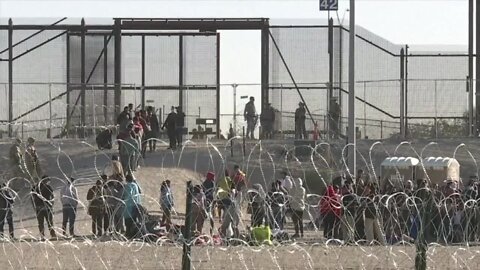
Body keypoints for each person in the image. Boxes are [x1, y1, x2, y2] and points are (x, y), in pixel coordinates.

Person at [32, 176, 57, 240]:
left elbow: (32, 198)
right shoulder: (48, 187)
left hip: (39, 208)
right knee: (49, 222)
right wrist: (52, 204)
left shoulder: (35, 187)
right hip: (46, 207)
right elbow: (53, 196)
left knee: (41, 223)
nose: (48, 182)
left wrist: (34, 206)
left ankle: (43, 236)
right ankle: (52, 235)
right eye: (48, 180)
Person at [123, 174, 142, 239]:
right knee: (134, 220)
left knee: (128, 221)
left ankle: (129, 234)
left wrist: (124, 200)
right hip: (136, 205)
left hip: (129, 206)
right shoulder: (135, 185)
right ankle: (133, 234)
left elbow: (129, 194)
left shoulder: (128, 186)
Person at [341, 177, 358, 243]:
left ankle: (349, 239)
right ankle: (348, 240)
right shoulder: (349, 196)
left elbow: (356, 204)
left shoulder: (350, 196)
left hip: (350, 213)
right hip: (347, 213)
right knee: (347, 227)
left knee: (349, 227)